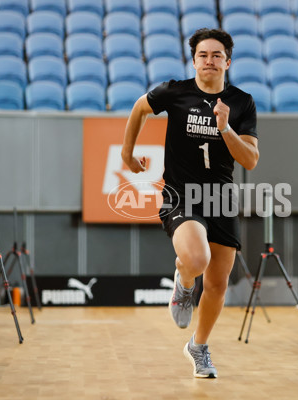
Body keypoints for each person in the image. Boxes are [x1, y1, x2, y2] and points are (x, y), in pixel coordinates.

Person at [121, 28, 258, 378]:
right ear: (193, 59)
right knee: (197, 259)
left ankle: (198, 347)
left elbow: (251, 160)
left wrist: (226, 128)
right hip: (181, 194)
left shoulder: (241, 102)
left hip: (222, 198)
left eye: (216, 55)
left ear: (228, 61)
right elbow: (139, 108)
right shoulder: (176, 92)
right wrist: (127, 153)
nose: (209, 60)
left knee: (217, 284)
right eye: (202, 55)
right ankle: (183, 282)